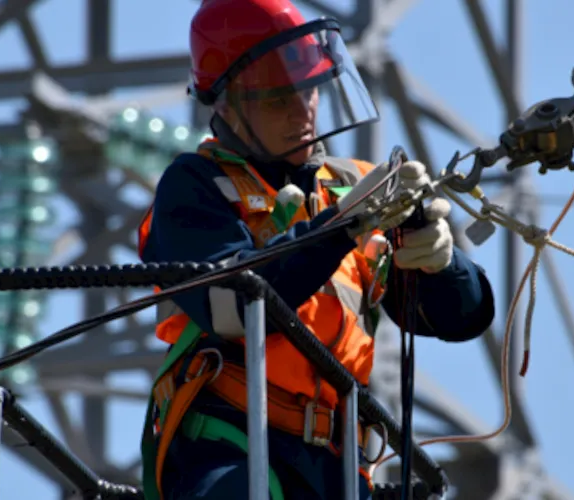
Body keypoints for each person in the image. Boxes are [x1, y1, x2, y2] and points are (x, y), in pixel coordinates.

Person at [136, 0, 495, 498]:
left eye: (309, 93)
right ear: (228, 105)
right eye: (279, 99)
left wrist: (441, 260)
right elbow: (233, 306)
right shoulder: (196, 186)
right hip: (231, 442)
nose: (302, 113)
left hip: (338, 464)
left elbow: (461, 318)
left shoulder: (352, 186)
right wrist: (339, 229)